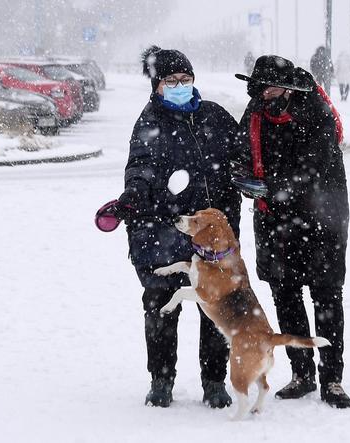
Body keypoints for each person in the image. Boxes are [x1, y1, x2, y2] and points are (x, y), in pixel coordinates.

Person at [113, 45, 241, 408]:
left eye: (186, 79)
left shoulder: (214, 116)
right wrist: (133, 195)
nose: (180, 85)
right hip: (162, 231)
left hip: (212, 236)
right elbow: (138, 166)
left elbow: (241, 157)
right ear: (157, 85)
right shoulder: (149, 122)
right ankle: (161, 380)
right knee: (161, 305)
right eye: (172, 80)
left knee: (215, 307)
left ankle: (214, 381)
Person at [233, 55, 350, 408]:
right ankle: (302, 374)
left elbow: (314, 167)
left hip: (321, 218)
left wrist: (269, 186)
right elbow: (240, 149)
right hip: (274, 220)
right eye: (259, 88)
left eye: (269, 88)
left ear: (287, 87)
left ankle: (332, 379)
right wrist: (242, 174)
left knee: (326, 298)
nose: (264, 95)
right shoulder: (257, 110)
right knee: (285, 294)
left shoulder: (315, 113)